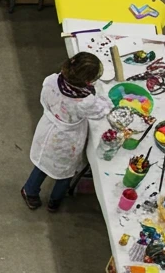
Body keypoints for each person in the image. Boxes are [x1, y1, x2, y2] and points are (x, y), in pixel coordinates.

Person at [21, 52, 110, 212]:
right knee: (65, 173)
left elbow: (45, 100)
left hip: (48, 128)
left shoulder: (51, 80)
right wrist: (104, 98)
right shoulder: (85, 101)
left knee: (42, 164)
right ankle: (55, 201)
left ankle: (30, 191)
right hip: (66, 140)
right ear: (87, 81)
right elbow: (101, 110)